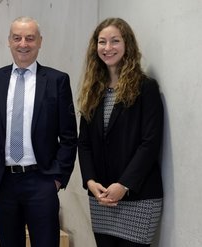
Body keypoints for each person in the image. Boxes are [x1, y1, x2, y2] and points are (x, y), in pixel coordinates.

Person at [0, 16, 77, 247]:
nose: (23, 44)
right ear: (8, 41)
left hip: (41, 181)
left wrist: (57, 178)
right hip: (4, 182)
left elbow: (69, 136)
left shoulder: (57, 80)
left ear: (40, 41)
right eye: (17, 38)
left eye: (30, 38)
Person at [77, 18, 164, 247]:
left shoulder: (146, 87)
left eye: (115, 41)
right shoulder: (93, 91)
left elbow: (150, 142)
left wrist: (124, 185)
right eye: (102, 42)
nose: (108, 48)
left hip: (138, 195)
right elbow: (84, 143)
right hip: (102, 196)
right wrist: (90, 181)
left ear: (127, 45)